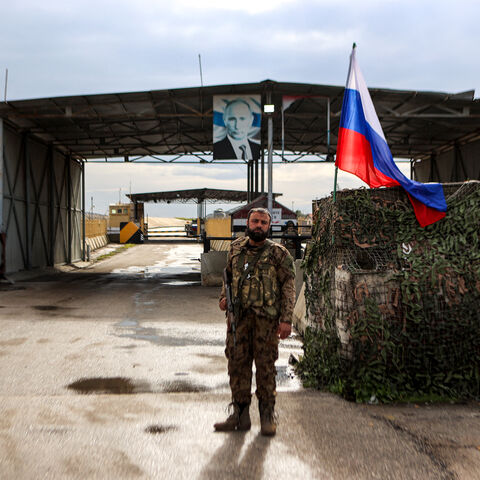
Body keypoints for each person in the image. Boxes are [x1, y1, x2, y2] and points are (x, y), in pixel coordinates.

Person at [214, 207, 296, 436]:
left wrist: (286, 320)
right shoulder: (236, 249)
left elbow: (288, 288)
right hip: (238, 321)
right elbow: (228, 279)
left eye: (263, 222)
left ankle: (267, 415)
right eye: (255, 221)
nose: (258, 225)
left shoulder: (279, 254)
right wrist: (223, 298)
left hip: (266, 323)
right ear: (247, 224)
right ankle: (240, 415)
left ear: (269, 227)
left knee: (266, 368)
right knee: (237, 367)